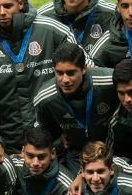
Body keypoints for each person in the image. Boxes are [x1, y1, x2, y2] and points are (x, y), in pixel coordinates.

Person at [0, 0, 93, 155]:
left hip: (53, 145)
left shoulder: (51, 31)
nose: (2, 13)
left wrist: (71, 128)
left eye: (8, 6)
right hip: (7, 146)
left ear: (21, 4)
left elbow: (86, 71)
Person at [34, 42, 118, 173]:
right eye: (59, 73)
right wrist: (58, 139)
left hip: (114, 149)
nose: (65, 80)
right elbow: (42, 134)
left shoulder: (110, 81)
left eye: (71, 73)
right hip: (77, 153)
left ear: (84, 69)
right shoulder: (46, 98)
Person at [55, 141, 132, 195]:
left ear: (111, 169)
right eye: (90, 172)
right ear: (83, 172)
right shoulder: (76, 194)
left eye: (100, 171)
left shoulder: (127, 188)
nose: (95, 178)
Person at [12, 127, 73, 195]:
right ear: (22, 152)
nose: (35, 163)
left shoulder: (67, 187)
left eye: (41, 157)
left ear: (52, 153)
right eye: (30, 156)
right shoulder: (14, 167)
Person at [90, 0, 132, 67]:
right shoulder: (107, 44)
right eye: (125, 6)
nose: (131, 12)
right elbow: (92, 73)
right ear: (118, 8)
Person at [108, 59, 132, 160]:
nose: (127, 100)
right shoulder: (117, 123)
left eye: (131, 92)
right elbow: (110, 160)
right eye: (121, 93)